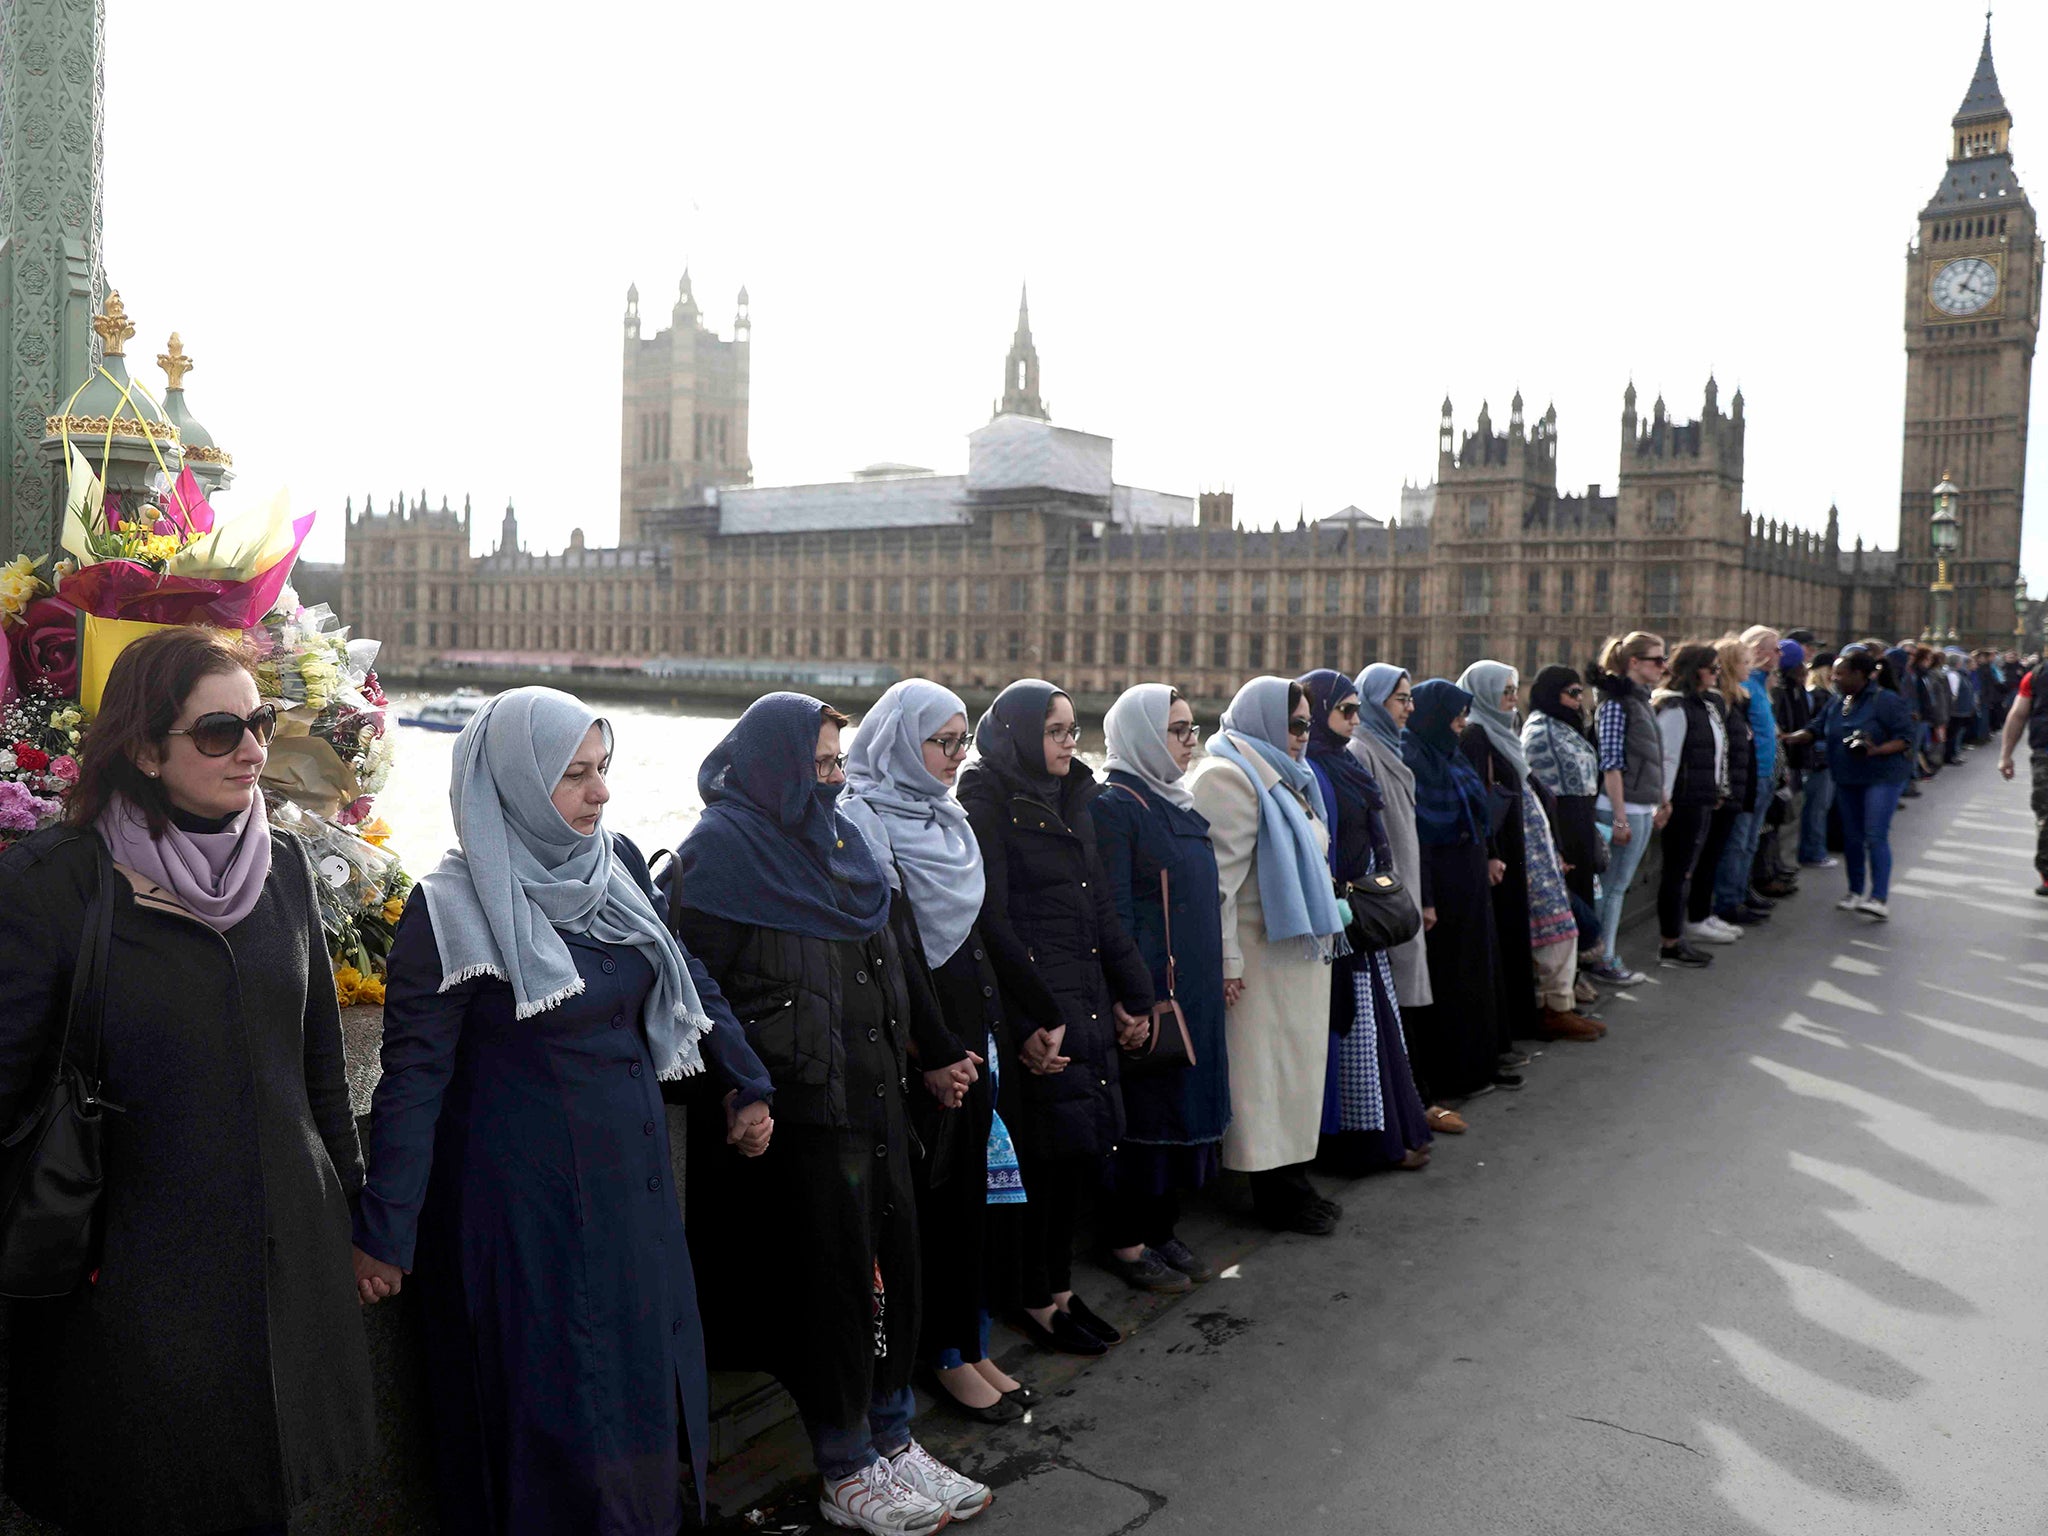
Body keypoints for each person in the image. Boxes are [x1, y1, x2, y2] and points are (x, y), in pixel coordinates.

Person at [356, 686, 768, 1535]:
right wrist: (385, 1235)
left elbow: (682, 972)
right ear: (511, 781)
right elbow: (413, 1082)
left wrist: (744, 1077)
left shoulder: (609, 864)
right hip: (528, 1223)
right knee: (558, 1418)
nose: (601, 792)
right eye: (574, 776)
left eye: (603, 769)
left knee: (642, 1397)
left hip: (633, 1202)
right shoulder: (449, 911)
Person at [0, 628, 375, 1536]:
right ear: (142, 747)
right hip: (127, 1278)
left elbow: (320, 1062)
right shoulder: (57, 883)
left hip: (283, 1270)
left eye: (260, 720)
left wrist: (356, 1220)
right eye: (218, 732)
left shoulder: (282, 868)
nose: (252, 749)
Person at [671, 692, 990, 1533]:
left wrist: (927, 1049)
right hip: (806, 1112)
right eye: (818, 764)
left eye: (839, 762)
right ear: (773, 761)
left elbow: (892, 954)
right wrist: (742, 1085)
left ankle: (892, 1436)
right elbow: (694, 993)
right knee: (831, 1290)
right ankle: (842, 1464)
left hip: (875, 1092)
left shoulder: (844, 840)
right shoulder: (722, 851)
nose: (833, 778)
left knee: (897, 1271)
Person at [839, 679, 1032, 1427]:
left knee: (973, 1201)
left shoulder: (946, 818)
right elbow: (897, 949)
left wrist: (1025, 1016)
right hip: (926, 1047)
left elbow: (981, 931)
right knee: (932, 1209)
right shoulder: (864, 821)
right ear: (897, 741)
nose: (955, 757)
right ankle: (940, 1356)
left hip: (971, 1035)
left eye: (962, 742)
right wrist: (937, 1050)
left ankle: (971, 1339)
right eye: (940, 742)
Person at [957, 680, 1154, 1355]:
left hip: (1087, 997)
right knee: (1041, 1161)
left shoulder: (1074, 798)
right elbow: (993, 922)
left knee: (1077, 1153)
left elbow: (1101, 906)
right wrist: (1030, 1020)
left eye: (1076, 729)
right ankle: (1035, 1298)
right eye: (1057, 730)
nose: (1072, 741)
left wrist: (1138, 993)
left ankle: (1062, 1289)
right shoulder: (987, 802)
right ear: (1018, 734)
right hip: (1042, 1008)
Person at [1189, 677, 1351, 1233]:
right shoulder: (1228, 778)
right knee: (1265, 1085)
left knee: (1294, 1080)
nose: (1302, 735)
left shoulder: (1285, 777)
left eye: (1307, 724)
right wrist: (1228, 963)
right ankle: (1276, 1194)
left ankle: (1293, 1182)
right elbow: (1218, 889)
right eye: (1293, 724)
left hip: (1296, 959)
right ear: (1260, 720)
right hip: (1260, 964)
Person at [1090, 683, 1231, 1288]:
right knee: (1146, 1116)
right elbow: (1114, 910)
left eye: (1191, 729)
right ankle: (1126, 1241)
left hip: (1191, 986)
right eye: (1176, 730)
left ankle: (1164, 1228)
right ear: (1144, 735)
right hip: (1152, 991)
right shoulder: (1116, 805)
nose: (1188, 740)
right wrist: (1132, 996)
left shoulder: (1175, 799)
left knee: (1179, 1106)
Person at [1297, 669, 1433, 1174]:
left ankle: (1388, 1129)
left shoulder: (1342, 762)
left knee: (1375, 1030)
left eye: (1358, 710)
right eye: (1345, 710)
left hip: (1362, 916)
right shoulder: (1313, 767)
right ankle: (1357, 1143)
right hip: (1338, 921)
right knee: (1350, 1031)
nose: (1353, 720)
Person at [1456, 660, 1602, 1044]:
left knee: (1557, 926)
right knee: (1551, 929)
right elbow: (1480, 801)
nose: (1510, 698)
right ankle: (1552, 1010)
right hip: (1513, 849)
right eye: (1502, 691)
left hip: (1535, 848)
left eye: (1512, 690)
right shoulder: (1476, 736)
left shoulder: (1505, 732)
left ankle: (1557, 1006)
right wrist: (1491, 852)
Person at [1351, 665, 1468, 1136]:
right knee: (1394, 1001)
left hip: (1405, 891)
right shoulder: (1363, 751)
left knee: (1406, 998)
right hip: (1382, 899)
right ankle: (1409, 1102)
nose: (1409, 707)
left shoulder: (1390, 748)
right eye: (1401, 699)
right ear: (1376, 703)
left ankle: (1415, 1097)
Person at [1402, 680, 1518, 1097]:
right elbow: (1420, 838)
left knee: (1478, 973)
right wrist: (1427, 899)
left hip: (1470, 880)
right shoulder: (1413, 757)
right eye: (1454, 716)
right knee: (1452, 982)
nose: (1461, 723)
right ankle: (1456, 1074)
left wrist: (1489, 854)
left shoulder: (1451, 754)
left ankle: (1483, 1063)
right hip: (1444, 888)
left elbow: (1477, 812)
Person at [1791, 651, 1914, 919]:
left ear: (1860, 675)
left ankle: (1878, 898)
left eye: (1840, 673)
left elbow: (1906, 738)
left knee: (1875, 834)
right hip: (1847, 776)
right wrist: (1790, 737)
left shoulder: (1886, 700)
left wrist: (1876, 749)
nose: (1834, 678)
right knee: (1852, 837)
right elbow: (1815, 727)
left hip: (1881, 776)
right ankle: (1855, 891)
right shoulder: (1838, 702)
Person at [1586, 633, 1669, 986]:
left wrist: (1661, 800)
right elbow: (1612, 765)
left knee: (1617, 887)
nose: (1664, 667)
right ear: (1633, 663)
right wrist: (1619, 818)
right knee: (1612, 888)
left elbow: (1649, 759)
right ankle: (1602, 958)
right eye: (1657, 660)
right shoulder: (1616, 705)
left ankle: (1603, 955)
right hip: (1619, 808)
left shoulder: (1639, 701)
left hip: (1638, 806)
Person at [1652, 642, 1728, 970]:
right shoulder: (1675, 708)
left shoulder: (1703, 705)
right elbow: (1666, 760)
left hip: (1700, 798)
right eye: (1713, 668)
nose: (1717, 674)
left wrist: (1717, 788)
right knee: (1677, 873)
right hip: (1682, 803)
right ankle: (1670, 943)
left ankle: (1677, 937)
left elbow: (1715, 752)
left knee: (1685, 871)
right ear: (1695, 670)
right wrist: (1663, 802)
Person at [1712, 625, 1782, 916]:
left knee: (1751, 841)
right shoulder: (1743, 690)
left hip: (1764, 773)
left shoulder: (1761, 684)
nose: (1780, 654)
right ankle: (1730, 900)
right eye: (1775, 648)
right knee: (1738, 842)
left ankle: (1742, 892)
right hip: (1749, 776)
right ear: (1758, 652)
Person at [1997, 651, 2048, 896]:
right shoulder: (2037, 676)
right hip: (2045, 754)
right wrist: (2005, 755)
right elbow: (2018, 715)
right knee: (2046, 813)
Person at [1799, 649, 1840, 869]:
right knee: (1817, 807)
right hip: (1819, 757)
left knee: (1820, 806)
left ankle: (1815, 849)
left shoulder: (1825, 693)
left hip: (1825, 756)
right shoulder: (1817, 694)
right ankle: (1813, 852)